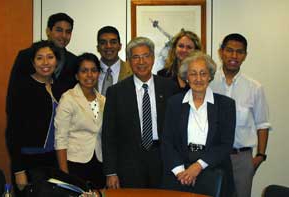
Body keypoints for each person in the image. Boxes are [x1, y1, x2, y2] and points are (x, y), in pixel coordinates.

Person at [102, 37, 176, 189]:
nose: (141, 62)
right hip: (129, 164)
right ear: (129, 60)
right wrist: (111, 172)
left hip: (162, 160)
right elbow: (109, 135)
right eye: (136, 57)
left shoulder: (169, 88)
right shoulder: (116, 92)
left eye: (146, 56)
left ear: (153, 58)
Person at [161, 51, 236, 196]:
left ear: (210, 76)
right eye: (193, 73)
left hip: (213, 170)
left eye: (203, 73)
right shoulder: (174, 103)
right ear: (186, 77)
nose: (198, 78)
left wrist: (198, 166)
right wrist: (180, 172)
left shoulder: (226, 105)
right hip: (179, 173)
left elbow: (226, 144)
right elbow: (167, 142)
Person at [210, 33, 271, 197]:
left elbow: (262, 124)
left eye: (239, 52)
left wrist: (260, 156)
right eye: (229, 50)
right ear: (221, 52)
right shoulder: (208, 83)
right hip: (213, 155)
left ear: (245, 56)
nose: (234, 56)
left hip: (241, 159)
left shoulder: (254, 88)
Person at [6, 40, 61, 193]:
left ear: (56, 60)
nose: (45, 62)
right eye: (39, 58)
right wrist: (19, 170)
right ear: (33, 62)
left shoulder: (60, 88)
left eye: (50, 57)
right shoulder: (23, 88)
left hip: (54, 160)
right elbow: (12, 131)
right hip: (29, 161)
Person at [54, 53, 106, 189]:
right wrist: (64, 174)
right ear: (77, 75)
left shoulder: (103, 100)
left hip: (98, 162)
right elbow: (60, 138)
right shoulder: (68, 98)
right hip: (74, 163)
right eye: (84, 71)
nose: (89, 75)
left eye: (94, 70)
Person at [96, 26, 132, 95]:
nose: (108, 46)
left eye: (113, 42)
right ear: (98, 48)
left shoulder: (132, 71)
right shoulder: (89, 72)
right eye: (103, 43)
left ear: (120, 46)